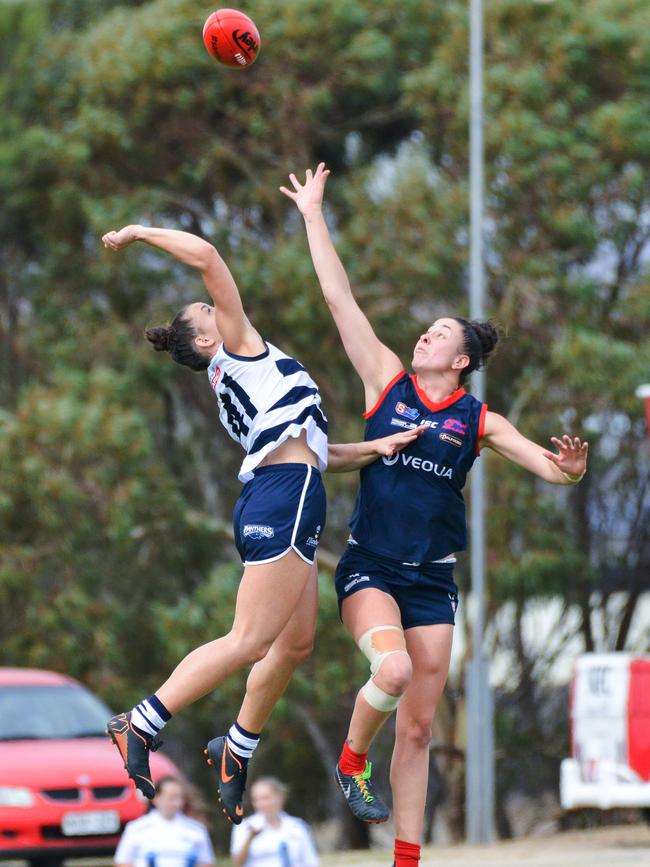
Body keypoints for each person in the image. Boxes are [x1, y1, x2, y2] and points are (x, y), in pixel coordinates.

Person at [280, 164, 589, 867]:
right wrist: (312, 213)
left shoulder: (479, 418)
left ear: (463, 359)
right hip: (372, 570)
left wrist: (571, 469)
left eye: (440, 332)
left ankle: (407, 861)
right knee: (388, 675)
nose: (426, 335)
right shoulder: (387, 380)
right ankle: (351, 759)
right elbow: (338, 299)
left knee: (418, 731)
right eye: (426, 328)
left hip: (433, 581)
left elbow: (547, 465)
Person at [101, 222, 420, 826]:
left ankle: (235, 747)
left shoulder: (247, 373)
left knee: (294, 643)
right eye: (206, 309)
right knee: (248, 639)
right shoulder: (236, 346)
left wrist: (382, 447)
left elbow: (318, 451)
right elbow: (207, 255)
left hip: (289, 492)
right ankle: (139, 722)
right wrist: (139, 232)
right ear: (203, 342)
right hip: (285, 497)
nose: (218, 306)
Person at [114, 775, 215, 867]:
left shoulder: (196, 829)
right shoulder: (136, 829)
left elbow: (206, 862)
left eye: (179, 798)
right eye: (171, 798)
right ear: (156, 798)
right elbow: (123, 862)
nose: (177, 803)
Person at [230, 777, 319, 867]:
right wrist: (250, 837)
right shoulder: (245, 826)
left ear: (279, 797)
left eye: (265, 798)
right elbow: (237, 863)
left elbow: (310, 861)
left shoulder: (297, 826)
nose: (261, 804)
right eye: (256, 799)